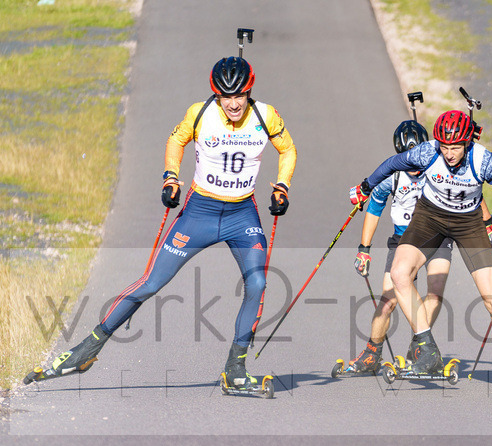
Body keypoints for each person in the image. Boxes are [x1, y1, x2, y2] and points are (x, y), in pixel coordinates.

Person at [26, 56, 297, 391]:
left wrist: (282, 185)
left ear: (249, 90)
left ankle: (235, 370)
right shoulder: (199, 113)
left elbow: (288, 150)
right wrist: (171, 177)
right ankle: (85, 350)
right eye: (225, 96)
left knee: (257, 283)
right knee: (151, 283)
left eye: (239, 95)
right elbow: (176, 141)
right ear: (216, 94)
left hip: (243, 215)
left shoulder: (265, 115)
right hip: (200, 213)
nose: (233, 103)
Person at [350, 109, 492, 387]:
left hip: (468, 224)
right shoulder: (427, 153)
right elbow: (393, 163)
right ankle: (426, 348)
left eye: (455, 147)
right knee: (399, 274)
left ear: (467, 143)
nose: (449, 153)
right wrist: (366, 186)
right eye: (445, 146)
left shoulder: (485, 162)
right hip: (429, 219)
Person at [344, 119, 492, 374]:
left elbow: (470, 195)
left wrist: (488, 224)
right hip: (403, 239)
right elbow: (373, 210)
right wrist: (364, 249)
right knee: (388, 300)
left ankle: (420, 348)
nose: (414, 168)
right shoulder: (391, 176)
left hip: (438, 236)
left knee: (435, 292)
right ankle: (372, 353)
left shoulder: (439, 166)